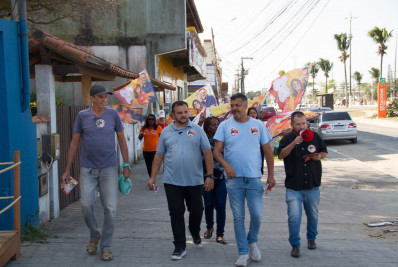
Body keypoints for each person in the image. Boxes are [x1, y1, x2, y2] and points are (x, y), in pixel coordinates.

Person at [61, 84, 131, 261]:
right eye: (100, 97)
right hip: (88, 169)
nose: (103, 100)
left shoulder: (113, 114)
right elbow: (74, 142)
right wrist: (67, 169)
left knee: (110, 209)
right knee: (85, 205)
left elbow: (122, 139)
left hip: (109, 169)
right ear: (92, 98)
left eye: (105, 97)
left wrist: (126, 164)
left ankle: (106, 246)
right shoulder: (82, 116)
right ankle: (94, 234)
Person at [147, 101, 215, 261]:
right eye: (180, 113)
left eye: (185, 112)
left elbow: (207, 154)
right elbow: (158, 156)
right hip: (172, 182)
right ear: (173, 115)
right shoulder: (166, 132)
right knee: (176, 213)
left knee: (197, 211)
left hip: (195, 181)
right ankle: (179, 246)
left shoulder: (198, 130)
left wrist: (209, 175)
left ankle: (195, 231)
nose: (183, 115)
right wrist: (152, 177)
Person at [213, 93, 275, 267]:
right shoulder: (224, 126)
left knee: (257, 215)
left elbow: (268, 153)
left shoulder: (258, 126)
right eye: (232, 105)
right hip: (234, 181)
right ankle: (242, 252)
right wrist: (226, 165)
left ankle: (252, 241)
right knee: (238, 217)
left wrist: (270, 175)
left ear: (245, 106)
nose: (234, 108)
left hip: (254, 179)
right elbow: (216, 151)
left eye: (237, 105)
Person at [278, 111, 328, 258]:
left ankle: (311, 238)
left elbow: (323, 151)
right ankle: (295, 245)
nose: (301, 126)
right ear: (292, 124)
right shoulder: (287, 139)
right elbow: (281, 155)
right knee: (294, 217)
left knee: (313, 215)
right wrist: (295, 142)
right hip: (294, 187)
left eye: (303, 123)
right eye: (297, 124)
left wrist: (318, 157)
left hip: (312, 185)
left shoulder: (314, 137)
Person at [202, 117, 228, 245]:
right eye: (213, 125)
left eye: (218, 124)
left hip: (221, 178)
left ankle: (220, 234)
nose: (217, 127)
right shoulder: (204, 139)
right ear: (208, 127)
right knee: (208, 204)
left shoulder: (223, 140)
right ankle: (209, 227)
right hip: (206, 177)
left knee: (221, 206)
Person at [247, 107, 265, 175]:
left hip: (259, 148)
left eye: (254, 113)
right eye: (251, 113)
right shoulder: (245, 124)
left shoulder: (260, 124)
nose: (253, 115)